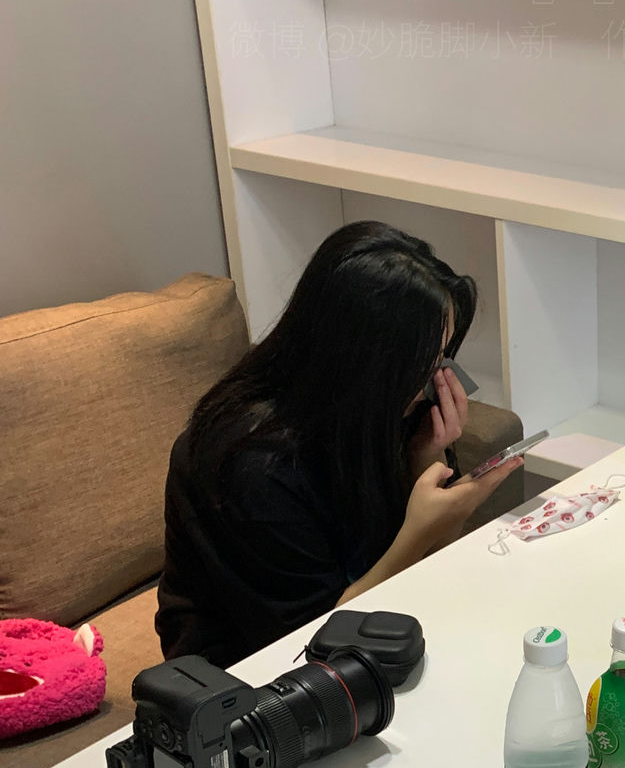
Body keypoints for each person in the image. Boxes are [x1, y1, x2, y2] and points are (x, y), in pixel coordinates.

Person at [157, 222, 520, 666]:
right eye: (420, 364)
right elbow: (310, 645)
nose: (435, 381)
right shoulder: (252, 466)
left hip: (369, 625)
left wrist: (425, 462)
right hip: (248, 671)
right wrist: (419, 534)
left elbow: (427, 569)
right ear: (359, 360)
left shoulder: (383, 412)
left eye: (440, 358)